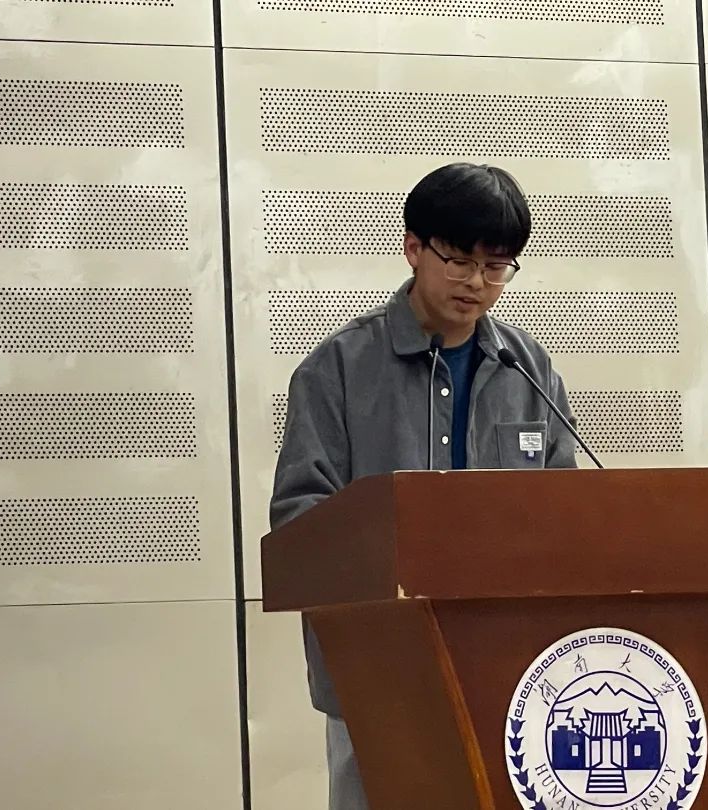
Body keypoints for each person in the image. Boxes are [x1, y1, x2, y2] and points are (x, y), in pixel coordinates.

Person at [268, 162, 579, 809]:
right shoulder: (337, 369)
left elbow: (566, 512)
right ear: (413, 247)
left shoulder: (527, 368)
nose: (477, 283)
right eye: (459, 260)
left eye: (497, 266)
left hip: (507, 665)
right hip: (378, 672)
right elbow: (300, 523)